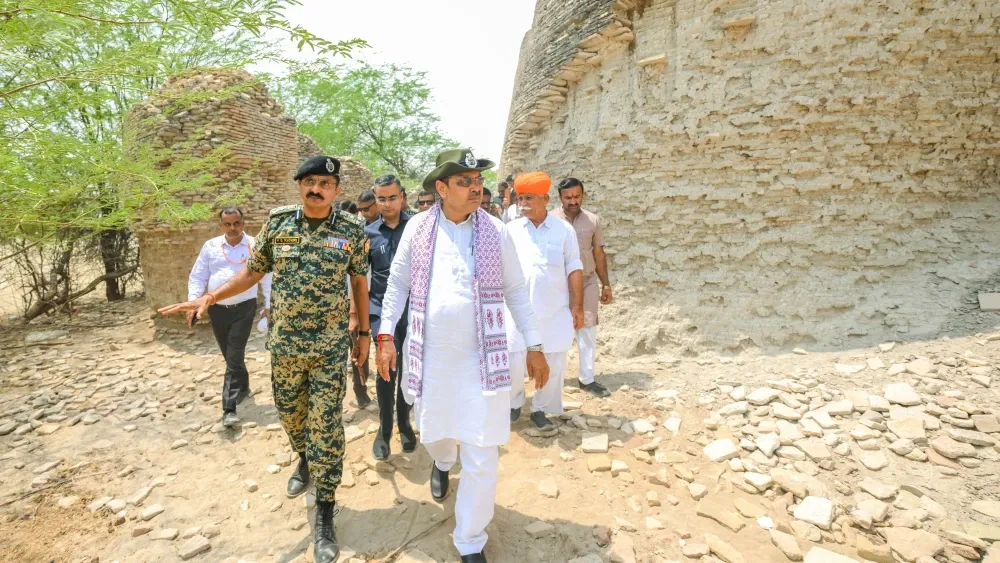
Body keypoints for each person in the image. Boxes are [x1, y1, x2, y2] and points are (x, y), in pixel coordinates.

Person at [159, 156, 370, 563]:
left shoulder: (351, 228)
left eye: (325, 183)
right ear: (299, 186)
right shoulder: (277, 224)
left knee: (325, 425)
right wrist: (210, 295)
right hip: (286, 347)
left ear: (336, 190)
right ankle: (304, 456)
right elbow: (253, 273)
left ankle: (326, 509)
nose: (316, 189)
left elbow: (359, 281)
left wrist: (362, 333)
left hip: (328, 347)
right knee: (292, 417)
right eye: (309, 181)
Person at [376, 148, 549, 563]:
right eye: (465, 181)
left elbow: (515, 292)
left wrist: (535, 344)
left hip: (484, 363)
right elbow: (397, 285)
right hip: (433, 361)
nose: (477, 187)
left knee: (483, 452)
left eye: (478, 180)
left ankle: (470, 540)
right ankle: (443, 460)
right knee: (434, 435)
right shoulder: (419, 229)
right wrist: (385, 335)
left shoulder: (495, 230)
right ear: (441, 188)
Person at [505, 172, 583, 429]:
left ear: (545, 199)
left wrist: (577, 305)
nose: (523, 203)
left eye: (529, 198)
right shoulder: (510, 230)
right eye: (520, 198)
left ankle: (542, 409)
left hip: (553, 312)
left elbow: (574, 267)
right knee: (513, 359)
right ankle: (514, 403)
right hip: (517, 312)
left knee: (554, 360)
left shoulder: (564, 230)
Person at [187, 207, 273, 428]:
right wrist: (194, 302)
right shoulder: (211, 246)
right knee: (229, 355)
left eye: (236, 223)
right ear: (221, 226)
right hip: (217, 309)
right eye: (228, 224)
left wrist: (268, 306)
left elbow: (266, 277)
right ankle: (242, 386)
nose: (232, 228)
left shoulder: (255, 245)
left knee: (234, 354)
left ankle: (229, 408)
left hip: (244, 309)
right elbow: (198, 275)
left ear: (243, 223)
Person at [366, 174, 417, 460]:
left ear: (403, 197)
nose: (387, 204)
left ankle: (405, 424)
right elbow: (361, 279)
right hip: (381, 314)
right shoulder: (368, 234)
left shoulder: (419, 228)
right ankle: (384, 431)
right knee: (387, 371)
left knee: (409, 370)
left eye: (392, 197)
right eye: (381, 199)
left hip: (415, 312)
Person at [551, 178, 613, 397]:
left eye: (577, 197)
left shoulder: (593, 220)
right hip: (559, 284)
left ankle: (587, 379)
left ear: (583, 196)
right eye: (568, 197)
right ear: (560, 198)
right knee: (558, 331)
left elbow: (598, 253)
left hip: (586, 282)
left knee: (587, 329)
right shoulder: (551, 220)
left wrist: (605, 283)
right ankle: (552, 381)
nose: (572, 201)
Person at [338, 200, 372, 408]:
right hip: (332, 307)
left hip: (354, 305)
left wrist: (355, 312)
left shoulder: (360, 242)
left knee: (359, 347)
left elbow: (360, 278)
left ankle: (361, 391)